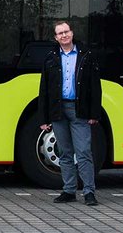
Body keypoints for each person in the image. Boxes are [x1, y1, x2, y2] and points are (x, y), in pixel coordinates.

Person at [38, 20, 102, 205]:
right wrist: (44, 117)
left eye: (66, 31)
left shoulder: (86, 55)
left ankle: (89, 192)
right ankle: (69, 190)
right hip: (58, 110)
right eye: (60, 33)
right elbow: (44, 89)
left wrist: (94, 113)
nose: (64, 35)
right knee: (65, 152)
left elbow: (94, 86)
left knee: (83, 152)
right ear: (55, 37)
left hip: (79, 109)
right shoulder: (51, 57)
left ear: (72, 33)